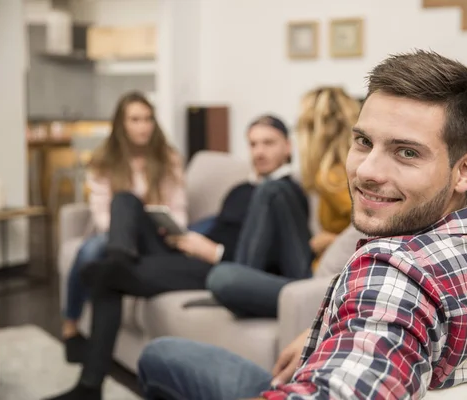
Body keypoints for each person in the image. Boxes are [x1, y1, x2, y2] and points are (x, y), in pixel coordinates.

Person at [137, 50, 467, 400]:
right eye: (363, 141)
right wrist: (320, 332)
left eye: (407, 152)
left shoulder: (391, 275)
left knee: (161, 355)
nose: (367, 170)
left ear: (465, 170)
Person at [44, 114, 309, 400]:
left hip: (213, 268)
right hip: (190, 253)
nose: (259, 151)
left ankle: (89, 387)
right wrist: (181, 235)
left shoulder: (284, 194)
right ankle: (119, 257)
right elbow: (219, 225)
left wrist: (214, 252)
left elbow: (262, 261)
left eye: (268, 143)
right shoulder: (240, 189)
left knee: (105, 276)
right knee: (124, 200)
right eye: (253, 144)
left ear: (288, 147)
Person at [206, 87, 359, 318]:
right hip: (308, 267)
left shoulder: (334, 178)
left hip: (313, 280)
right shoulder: (326, 174)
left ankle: (243, 282)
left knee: (272, 190)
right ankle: (243, 281)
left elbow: (378, 229)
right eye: (254, 144)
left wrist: (333, 239)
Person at [61, 91, 187, 364]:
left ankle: (118, 269)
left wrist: (174, 227)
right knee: (90, 251)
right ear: (122, 124)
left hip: (153, 234)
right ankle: (70, 325)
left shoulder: (168, 157)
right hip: (115, 234)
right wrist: (122, 232)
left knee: (123, 216)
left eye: (148, 119)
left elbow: (178, 207)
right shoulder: (105, 158)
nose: (143, 126)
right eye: (135, 119)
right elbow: (101, 210)